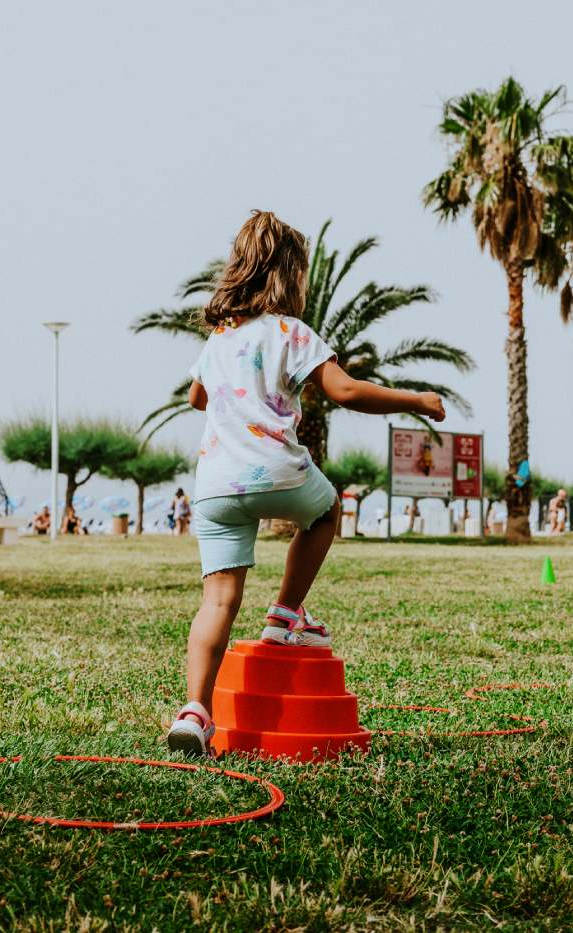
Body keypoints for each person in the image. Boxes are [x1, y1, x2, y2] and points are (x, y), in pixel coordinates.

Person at [165, 211, 446, 756]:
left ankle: (195, 710)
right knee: (324, 513)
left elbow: (197, 398)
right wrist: (415, 400)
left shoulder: (219, 339)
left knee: (218, 599)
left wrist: (231, 390)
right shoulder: (293, 333)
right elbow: (344, 391)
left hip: (216, 487)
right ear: (290, 275)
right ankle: (285, 613)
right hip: (278, 472)